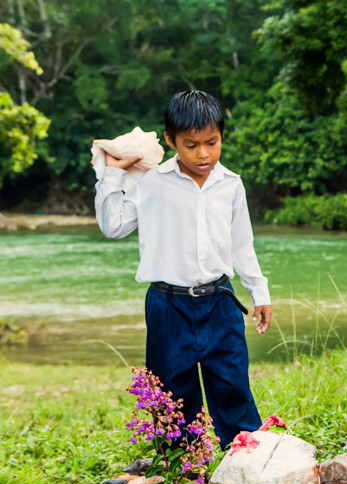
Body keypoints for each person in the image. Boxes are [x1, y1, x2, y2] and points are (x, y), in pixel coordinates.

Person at [95, 90, 272, 447]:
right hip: (167, 306)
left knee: (233, 385)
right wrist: (112, 174)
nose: (203, 154)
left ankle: (247, 466)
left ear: (222, 136)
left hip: (220, 302)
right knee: (172, 393)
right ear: (171, 140)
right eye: (191, 145)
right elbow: (113, 227)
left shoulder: (231, 184)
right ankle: (185, 473)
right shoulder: (151, 182)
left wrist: (259, 291)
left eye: (212, 142)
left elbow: (242, 244)